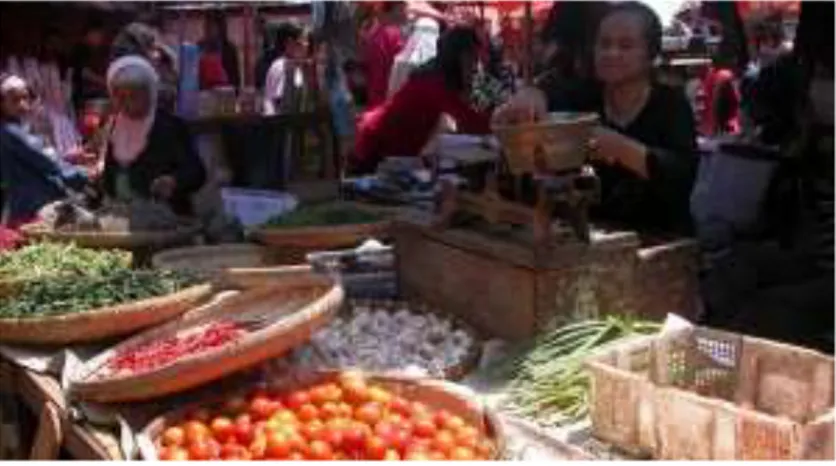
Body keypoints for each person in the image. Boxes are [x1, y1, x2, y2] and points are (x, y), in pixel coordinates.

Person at [697, 1, 834, 353]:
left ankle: (722, 369)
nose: (818, 88)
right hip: (813, 262)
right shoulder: (813, 144)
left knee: (764, 314)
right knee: (733, 269)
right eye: (819, 75)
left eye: (826, 76)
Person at [494, 1, 697, 235]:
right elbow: (543, 94)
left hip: (662, 241)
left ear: (650, 54)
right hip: (596, 240)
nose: (611, 53)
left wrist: (619, 148)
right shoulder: (584, 96)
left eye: (626, 45)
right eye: (604, 44)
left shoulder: (671, 105)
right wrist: (529, 95)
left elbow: (681, 176)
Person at [352, 26, 491, 174]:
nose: (475, 66)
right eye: (471, 59)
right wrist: (502, 130)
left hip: (383, 142)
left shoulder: (435, 74)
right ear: (457, 56)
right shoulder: (435, 83)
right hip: (375, 144)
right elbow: (471, 123)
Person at [100, 56, 205, 216]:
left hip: (164, 218)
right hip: (122, 217)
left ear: (150, 93)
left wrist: (174, 181)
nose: (127, 104)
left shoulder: (169, 126)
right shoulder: (116, 127)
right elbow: (110, 175)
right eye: (121, 97)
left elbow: (196, 172)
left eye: (134, 97)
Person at [0, 73, 95, 227]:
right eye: (14, 100)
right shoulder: (11, 132)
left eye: (25, 98)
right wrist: (84, 175)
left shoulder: (15, 129)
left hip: (26, 204)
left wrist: (66, 159)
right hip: (33, 205)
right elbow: (46, 161)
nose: (22, 104)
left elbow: (36, 159)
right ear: (2, 103)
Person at [361, 1, 407, 107]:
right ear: (396, 9)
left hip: (376, 97)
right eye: (404, 9)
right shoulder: (393, 35)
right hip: (388, 99)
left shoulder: (375, 32)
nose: (406, 13)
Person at [263, 22, 306, 116]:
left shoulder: (288, 65)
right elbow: (283, 103)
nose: (305, 46)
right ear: (289, 43)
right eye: (301, 42)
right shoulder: (282, 66)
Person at [69, 19, 110, 114]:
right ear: (91, 33)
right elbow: (84, 73)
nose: (101, 39)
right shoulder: (81, 49)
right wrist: (103, 82)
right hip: (79, 97)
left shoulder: (86, 50)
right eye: (99, 35)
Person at [198, 13, 240, 89]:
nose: (206, 28)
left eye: (211, 25)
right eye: (206, 24)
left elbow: (235, 81)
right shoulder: (199, 47)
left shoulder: (229, 50)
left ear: (220, 27)